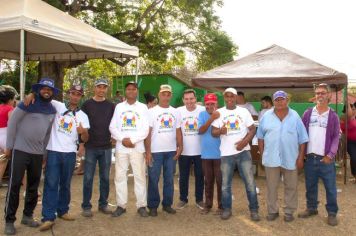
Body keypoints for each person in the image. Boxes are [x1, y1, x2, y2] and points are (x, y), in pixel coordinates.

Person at [4, 78, 58, 235]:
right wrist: (9, 146)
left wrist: (44, 153)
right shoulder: (27, 104)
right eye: (43, 89)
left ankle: (27, 215)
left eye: (49, 90)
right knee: (14, 186)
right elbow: (13, 122)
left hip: (37, 153)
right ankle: (9, 220)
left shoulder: (52, 110)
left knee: (33, 187)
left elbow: (47, 133)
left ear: (52, 92)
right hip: (20, 150)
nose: (46, 92)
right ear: (39, 90)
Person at [38, 85, 89, 231]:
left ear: (81, 97)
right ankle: (48, 217)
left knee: (65, 184)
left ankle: (63, 211)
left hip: (70, 153)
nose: (75, 96)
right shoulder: (57, 105)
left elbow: (85, 138)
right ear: (68, 94)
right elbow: (42, 96)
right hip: (54, 150)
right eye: (73, 93)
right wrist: (31, 96)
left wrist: (83, 132)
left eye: (78, 94)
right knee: (51, 183)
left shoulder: (83, 116)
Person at [257, 90, 308, 222]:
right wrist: (263, 154)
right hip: (271, 158)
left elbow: (303, 139)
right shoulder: (266, 116)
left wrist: (301, 157)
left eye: (282, 99)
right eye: (276, 99)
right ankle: (272, 211)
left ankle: (289, 211)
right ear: (273, 102)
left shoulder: (295, 116)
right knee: (271, 186)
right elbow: (260, 137)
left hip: (291, 157)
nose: (279, 102)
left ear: (287, 100)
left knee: (291, 186)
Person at [211, 87, 260, 221]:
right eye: (227, 96)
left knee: (250, 183)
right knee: (225, 184)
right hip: (226, 154)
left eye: (232, 96)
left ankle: (254, 210)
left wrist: (244, 142)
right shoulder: (219, 112)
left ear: (236, 97)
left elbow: (252, 129)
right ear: (224, 98)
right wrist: (220, 131)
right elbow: (213, 133)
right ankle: (227, 209)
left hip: (243, 152)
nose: (230, 99)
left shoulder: (243, 111)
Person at [299, 83, 340, 226]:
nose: (320, 95)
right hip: (310, 158)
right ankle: (312, 208)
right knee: (310, 185)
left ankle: (332, 213)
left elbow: (336, 137)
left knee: (330, 187)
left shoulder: (333, 116)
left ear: (328, 95)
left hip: (326, 159)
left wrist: (331, 154)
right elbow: (302, 134)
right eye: (318, 93)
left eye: (323, 93)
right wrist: (301, 154)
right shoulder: (308, 113)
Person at [109, 81, 150, 217]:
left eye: (133, 89)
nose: (131, 91)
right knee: (120, 177)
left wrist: (132, 141)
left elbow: (145, 129)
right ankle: (121, 205)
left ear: (137, 91)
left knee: (140, 177)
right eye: (128, 89)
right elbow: (112, 127)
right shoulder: (119, 107)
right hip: (121, 148)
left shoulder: (143, 107)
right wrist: (123, 140)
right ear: (125, 91)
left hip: (137, 147)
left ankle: (141, 206)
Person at [144, 84, 183, 216]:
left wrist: (180, 146)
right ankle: (153, 206)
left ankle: (167, 204)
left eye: (168, 94)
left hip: (171, 151)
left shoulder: (175, 111)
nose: (166, 97)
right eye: (163, 94)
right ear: (159, 95)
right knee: (153, 179)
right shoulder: (151, 112)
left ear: (171, 95)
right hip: (155, 151)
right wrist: (148, 152)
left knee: (169, 179)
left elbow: (178, 130)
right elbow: (148, 133)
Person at [81, 78, 115, 217]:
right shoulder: (86, 105)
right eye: (99, 87)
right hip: (91, 147)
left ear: (107, 89)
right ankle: (86, 206)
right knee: (88, 177)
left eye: (104, 87)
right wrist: (81, 144)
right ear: (94, 88)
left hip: (106, 147)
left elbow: (115, 123)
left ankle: (103, 204)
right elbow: (81, 126)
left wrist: (114, 136)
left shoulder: (111, 106)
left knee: (105, 178)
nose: (101, 90)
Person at [176, 89, 205, 210]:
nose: (189, 101)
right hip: (184, 151)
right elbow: (176, 130)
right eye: (186, 99)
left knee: (200, 176)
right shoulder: (178, 111)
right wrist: (178, 146)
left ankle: (199, 200)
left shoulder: (202, 110)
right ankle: (183, 199)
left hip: (200, 151)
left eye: (191, 98)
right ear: (183, 100)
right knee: (183, 176)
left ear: (196, 99)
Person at [198, 93, 222, 214]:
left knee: (221, 182)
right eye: (207, 104)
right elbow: (201, 131)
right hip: (206, 155)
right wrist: (212, 118)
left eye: (212, 103)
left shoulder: (222, 114)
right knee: (208, 181)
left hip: (221, 155)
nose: (210, 106)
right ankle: (208, 205)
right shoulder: (202, 114)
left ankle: (221, 206)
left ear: (216, 103)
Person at [0, 85, 18, 188]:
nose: (14, 100)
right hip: (5, 135)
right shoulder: (10, 108)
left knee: (3, 159)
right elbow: (12, 125)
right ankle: (18, 181)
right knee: (13, 159)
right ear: (10, 99)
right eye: (14, 98)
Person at [340, 102, 356, 181]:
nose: (353, 111)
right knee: (354, 157)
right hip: (351, 142)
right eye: (351, 109)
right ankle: (354, 174)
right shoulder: (343, 118)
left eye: (354, 109)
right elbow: (343, 128)